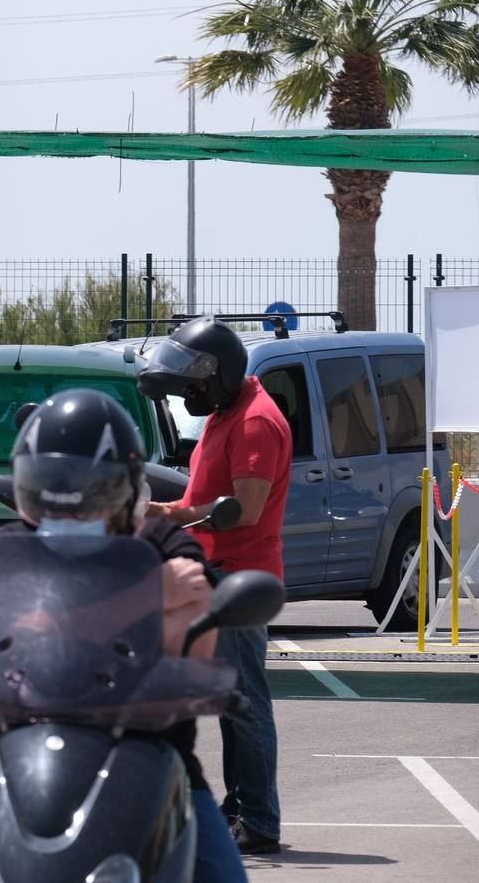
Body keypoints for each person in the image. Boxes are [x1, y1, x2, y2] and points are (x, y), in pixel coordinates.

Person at [0, 389, 247, 883]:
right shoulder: (11, 548)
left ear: (127, 491)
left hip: (149, 763)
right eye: (51, 488)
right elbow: (7, 637)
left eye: (92, 490)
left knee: (226, 878)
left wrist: (68, 615)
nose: (69, 505)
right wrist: (145, 594)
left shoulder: (166, 540)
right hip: (20, 762)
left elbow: (188, 644)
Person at [138, 317, 291, 856]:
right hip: (219, 571)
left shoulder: (254, 422)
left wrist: (178, 519)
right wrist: (163, 512)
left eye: (195, 384)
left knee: (245, 702)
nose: (189, 393)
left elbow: (241, 512)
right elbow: (211, 497)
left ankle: (260, 820)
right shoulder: (228, 414)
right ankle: (240, 807)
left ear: (221, 375)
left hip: (240, 576)